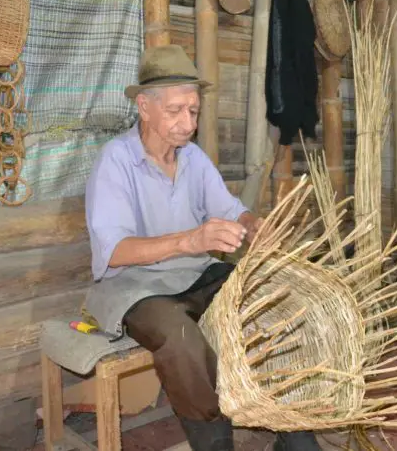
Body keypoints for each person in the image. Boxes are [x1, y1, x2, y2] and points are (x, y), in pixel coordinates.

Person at [83, 44, 322, 450]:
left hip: (193, 276)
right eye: (175, 111)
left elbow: (230, 210)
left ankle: (291, 430)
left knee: (268, 303)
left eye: (193, 111)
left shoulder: (192, 158)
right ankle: (213, 439)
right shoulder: (115, 161)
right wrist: (191, 240)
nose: (187, 122)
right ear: (144, 107)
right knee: (180, 338)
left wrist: (252, 225)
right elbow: (115, 250)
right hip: (136, 288)